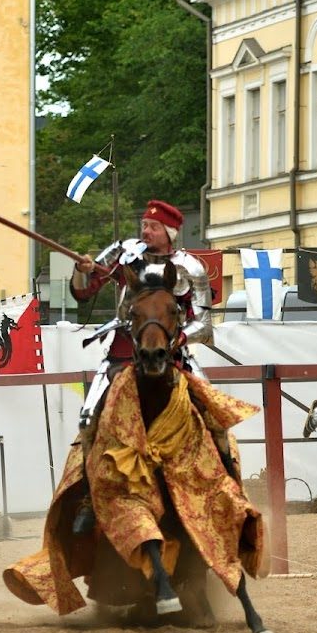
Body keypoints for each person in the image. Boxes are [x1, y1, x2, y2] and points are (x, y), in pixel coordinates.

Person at [69, 200, 213, 532]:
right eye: (144, 225)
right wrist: (83, 268)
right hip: (122, 350)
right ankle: (89, 499)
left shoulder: (191, 268)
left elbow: (203, 325)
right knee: (89, 417)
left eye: (153, 227)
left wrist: (172, 341)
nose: (145, 231)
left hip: (173, 353)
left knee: (212, 412)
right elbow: (84, 291)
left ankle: (228, 484)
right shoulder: (125, 255)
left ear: (170, 233)